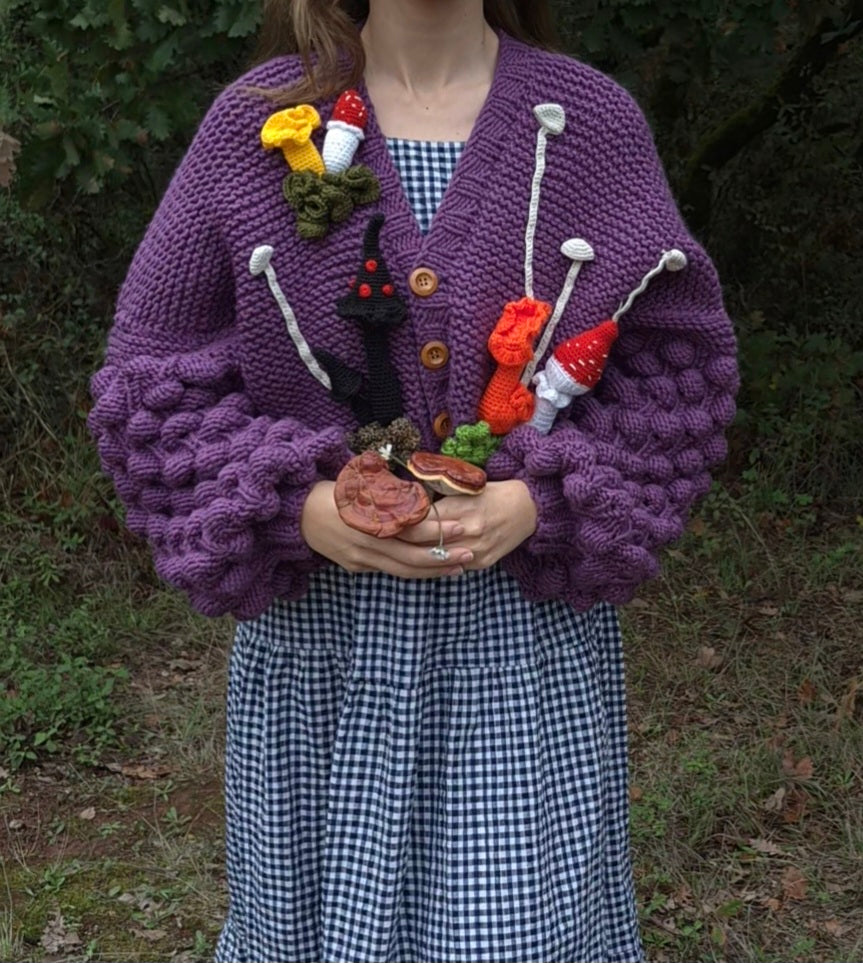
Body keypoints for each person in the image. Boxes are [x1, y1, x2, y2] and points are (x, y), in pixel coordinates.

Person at [87, 0, 739, 960]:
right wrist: (297, 505)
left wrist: (539, 498)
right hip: (321, 664)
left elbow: (676, 368)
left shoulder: (587, 124)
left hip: (519, 658)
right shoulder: (256, 125)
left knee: (517, 933)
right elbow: (148, 383)